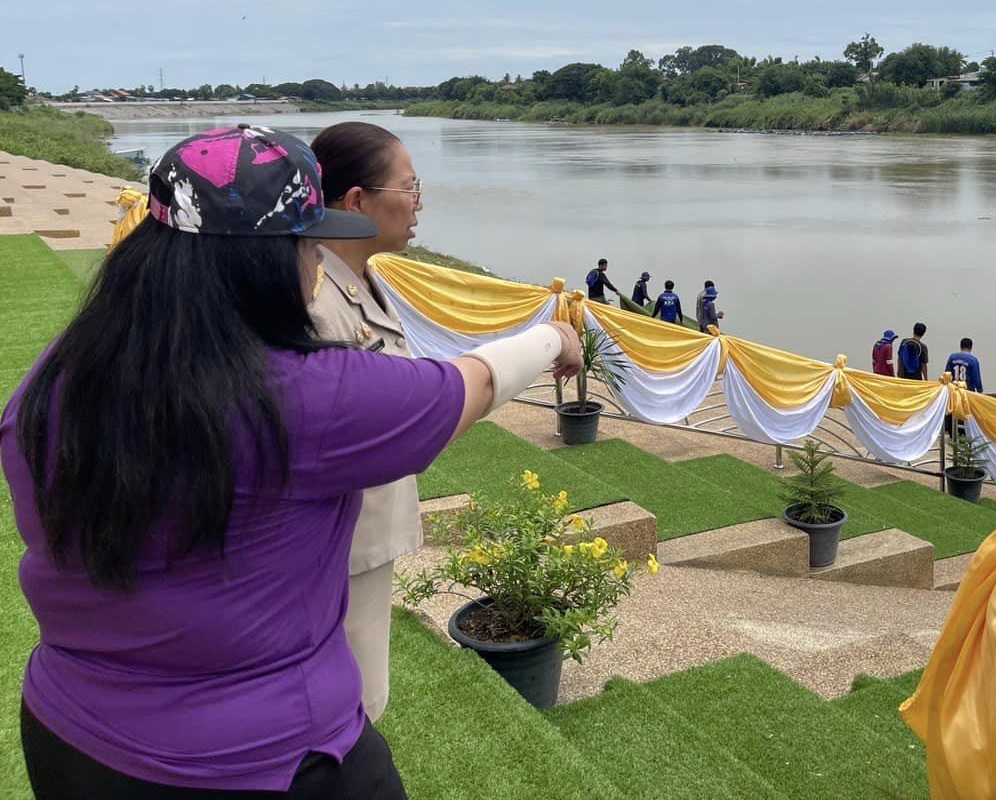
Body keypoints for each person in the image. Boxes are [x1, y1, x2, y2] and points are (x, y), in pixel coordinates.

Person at [1, 124, 581, 797]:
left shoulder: (57, 376)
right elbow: (471, 384)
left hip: (70, 731)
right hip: (261, 758)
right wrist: (553, 337)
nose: (317, 266)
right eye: (310, 247)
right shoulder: (304, 399)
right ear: (264, 263)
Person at [307, 121, 423, 725]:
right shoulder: (316, 296)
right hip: (340, 542)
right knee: (353, 703)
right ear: (357, 200)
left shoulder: (362, 278)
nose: (418, 204)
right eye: (410, 187)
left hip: (365, 531)